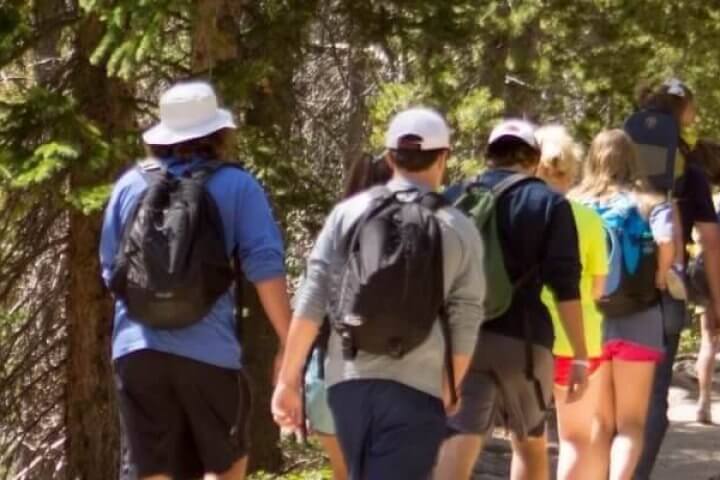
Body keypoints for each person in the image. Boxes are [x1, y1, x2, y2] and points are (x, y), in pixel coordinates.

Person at [272, 107, 486, 480]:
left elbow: (313, 298)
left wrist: (288, 380)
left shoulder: (347, 214)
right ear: (444, 157)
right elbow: (465, 316)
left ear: (389, 158)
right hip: (419, 384)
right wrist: (452, 383)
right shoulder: (458, 228)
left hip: (348, 380)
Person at [100, 81, 292, 480]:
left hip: (137, 350)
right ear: (219, 133)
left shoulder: (129, 185)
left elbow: (110, 269)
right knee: (226, 464)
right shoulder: (238, 185)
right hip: (210, 351)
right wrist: (290, 344)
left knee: (151, 468)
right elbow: (265, 266)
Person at [435, 119, 589, 480]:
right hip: (523, 340)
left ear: (489, 155)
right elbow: (565, 286)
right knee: (531, 442)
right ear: (535, 158)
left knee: (460, 436)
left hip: (461, 341)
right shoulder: (549, 203)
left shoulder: (455, 196)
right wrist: (580, 354)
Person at [571, 129, 671, 480]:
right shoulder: (651, 202)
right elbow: (667, 241)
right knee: (631, 424)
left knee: (599, 423)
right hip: (640, 315)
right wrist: (661, 276)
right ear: (633, 159)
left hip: (589, 319)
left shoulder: (575, 202)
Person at [634, 80, 720, 478]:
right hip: (665, 288)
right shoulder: (690, 168)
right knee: (652, 401)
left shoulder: (620, 156)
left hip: (611, 284)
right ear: (682, 110)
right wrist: (717, 299)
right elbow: (712, 241)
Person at [302, 153, 391, 480]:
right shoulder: (408, 241)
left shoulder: (333, 236)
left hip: (329, 380)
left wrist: (288, 371)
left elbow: (309, 306)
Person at [535, 125, 610, 479]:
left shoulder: (523, 214)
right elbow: (597, 289)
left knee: (528, 439)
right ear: (572, 171)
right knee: (576, 439)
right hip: (578, 342)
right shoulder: (590, 221)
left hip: (528, 337)